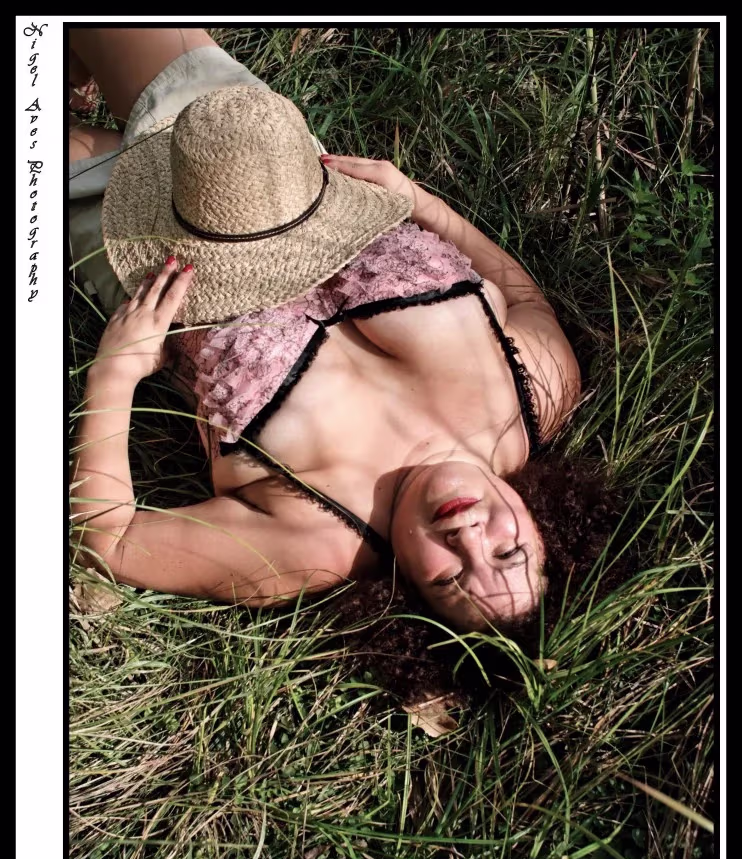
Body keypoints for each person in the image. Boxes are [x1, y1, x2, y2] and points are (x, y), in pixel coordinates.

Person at [70, 28, 615, 664]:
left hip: (141, 250)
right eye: (506, 552)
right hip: (251, 173)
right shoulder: (538, 394)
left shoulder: (313, 547)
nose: (468, 535)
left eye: (450, 579)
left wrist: (115, 374)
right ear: (545, 534)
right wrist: (425, 206)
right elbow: (527, 303)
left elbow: (111, 541)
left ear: (408, 591)